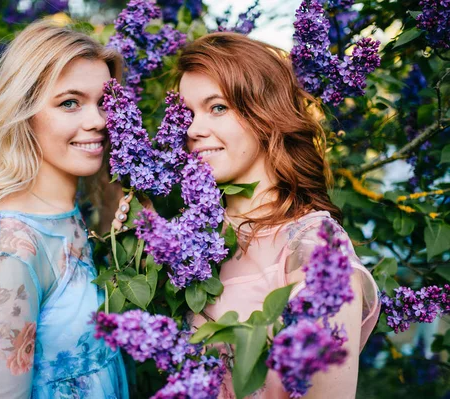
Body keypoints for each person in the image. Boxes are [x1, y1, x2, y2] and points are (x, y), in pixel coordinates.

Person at [113, 32, 380, 399]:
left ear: (265, 113)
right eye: (187, 114)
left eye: (217, 107)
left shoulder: (315, 251)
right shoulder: (195, 238)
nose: (192, 129)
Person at [0, 20, 129, 399]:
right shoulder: (5, 253)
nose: (98, 121)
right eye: (70, 103)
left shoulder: (69, 216)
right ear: (23, 114)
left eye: (105, 103)